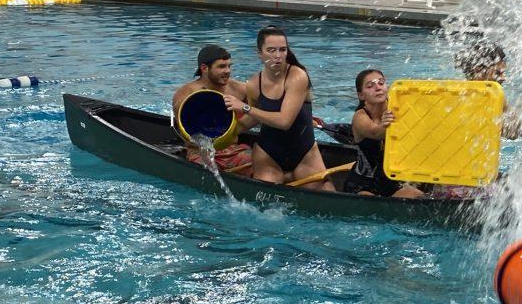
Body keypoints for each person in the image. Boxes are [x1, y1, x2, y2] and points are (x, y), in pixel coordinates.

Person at [222, 26, 333, 190]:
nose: (278, 56)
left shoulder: (297, 76)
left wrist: (244, 107)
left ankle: (289, 177)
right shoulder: (254, 84)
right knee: (267, 207)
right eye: (271, 50)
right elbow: (253, 118)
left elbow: (284, 121)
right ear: (259, 53)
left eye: (282, 50)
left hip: (304, 153)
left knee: (321, 200)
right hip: (268, 154)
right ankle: (288, 178)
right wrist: (225, 134)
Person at [342, 68, 423, 199]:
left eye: (381, 83)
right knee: (368, 201)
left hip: (393, 182)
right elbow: (375, 133)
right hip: (363, 184)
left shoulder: (400, 109)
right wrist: (388, 125)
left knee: (419, 195)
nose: (378, 88)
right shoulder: (360, 117)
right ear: (361, 95)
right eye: (370, 85)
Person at [172, 45, 254, 173]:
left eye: (229, 66)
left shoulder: (238, 89)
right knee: (204, 168)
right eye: (222, 66)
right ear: (204, 68)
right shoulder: (186, 94)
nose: (228, 71)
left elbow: (260, 109)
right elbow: (186, 131)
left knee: (258, 162)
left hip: (234, 150)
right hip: (200, 152)